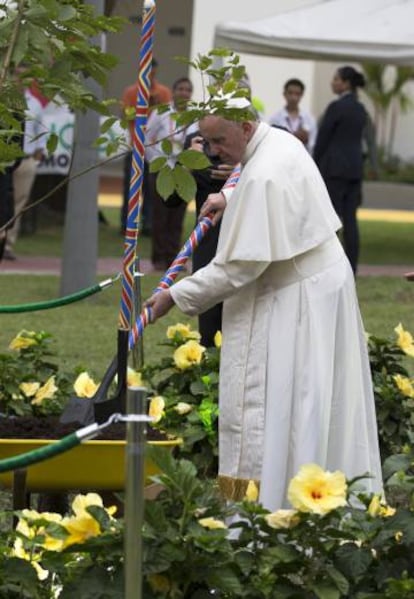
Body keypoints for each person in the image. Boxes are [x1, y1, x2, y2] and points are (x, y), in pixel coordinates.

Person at [144, 98, 383, 512]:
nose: (214, 149)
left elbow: (238, 268)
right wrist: (230, 197)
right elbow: (252, 177)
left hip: (298, 301)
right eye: (208, 140)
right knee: (301, 401)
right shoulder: (277, 143)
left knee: (295, 403)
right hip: (310, 288)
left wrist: (174, 296)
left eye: (220, 140)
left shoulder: (266, 171)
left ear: (246, 128)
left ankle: (277, 508)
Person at [313, 66, 368, 275]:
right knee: (351, 220)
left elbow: (323, 139)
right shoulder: (361, 109)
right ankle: (352, 267)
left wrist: (315, 164)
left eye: (336, 79)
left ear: (345, 83)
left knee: (332, 218)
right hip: (354, 169)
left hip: (334, 169)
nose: (333, 82)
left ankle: (332, 265)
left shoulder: (336, 107)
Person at [145, 76, 197, 270]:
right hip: (162, 169)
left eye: (187, 90)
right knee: (160, 215)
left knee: (178, 217)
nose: (184, 93)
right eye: (180, 89)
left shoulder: (195, 115)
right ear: (173, 91)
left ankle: (173, 259)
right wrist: (156, 162)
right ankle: (158, 258)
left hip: (184, 172)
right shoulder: (161, 112)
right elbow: (147, 138)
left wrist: (190, 165)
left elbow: (198, 141)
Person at [121, 58, 172, 234]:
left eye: (153, 70)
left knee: (151, 190)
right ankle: (126, 224)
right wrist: (143, 106)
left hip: (155, 150)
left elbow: (166, 117)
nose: (150, 74)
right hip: (134, 146)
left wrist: (154, 104)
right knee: (131, 187)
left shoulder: (164, 92)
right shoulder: (131, 92)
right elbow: (126, 115)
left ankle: (149, 224)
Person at [4, 88, 47, 260]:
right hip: (4, 158)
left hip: (26, 158)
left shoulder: (34, 104)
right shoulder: (4, 98)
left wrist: (37, 156)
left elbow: (41, 132)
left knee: (18, 202)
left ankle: (7, 244)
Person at [268, 78, 317, 153]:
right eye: (290, 93)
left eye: (297, 94)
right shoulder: (275, 119)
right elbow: (272, 143)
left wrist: (306, 140)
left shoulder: (309, 119)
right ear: (284, 94)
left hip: (303, 158)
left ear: (302, 95)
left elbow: (313, 144)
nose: (293, 97)